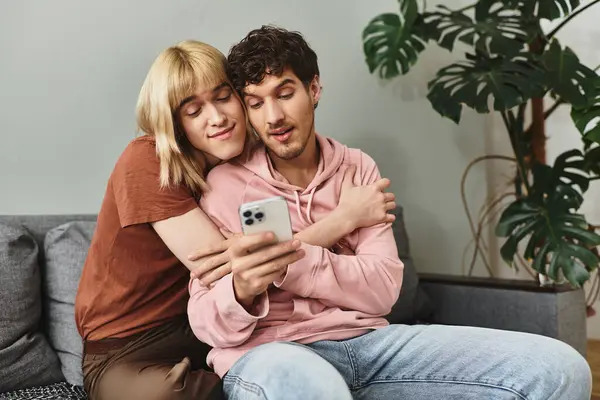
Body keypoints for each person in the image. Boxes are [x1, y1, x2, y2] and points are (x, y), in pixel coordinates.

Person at [188, 25, 593, 400]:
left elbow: (382, 292)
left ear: (314, 89)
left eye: (285, 93)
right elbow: (208, 323)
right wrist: (243, 289)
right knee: (315, 388)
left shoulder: (357, 168)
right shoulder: (224, 185)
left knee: (560, 368)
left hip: (369, 344)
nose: (273, 117)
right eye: (256, 103)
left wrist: (288, 260)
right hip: (270, 353)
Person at [73, 39, 396, 400]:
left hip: (208, 330)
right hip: (131, 344)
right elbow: (232, 266)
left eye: (223, 97)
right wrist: (345, 219)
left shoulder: (243, 164)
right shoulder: (147, 162)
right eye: (193, 111)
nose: (217, 118)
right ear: (175, 123)